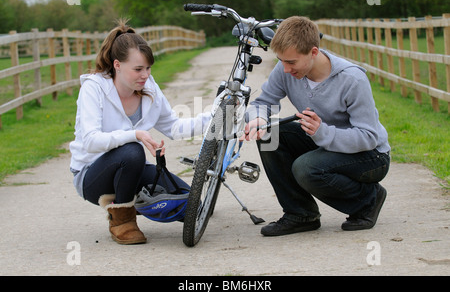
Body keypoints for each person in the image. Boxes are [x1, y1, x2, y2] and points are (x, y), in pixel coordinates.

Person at [244, 16, 391, 236]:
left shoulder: (352, 79)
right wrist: (258, 119)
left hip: (370, 155)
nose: (285, 69)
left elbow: (368, 137)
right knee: (269, 135)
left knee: (305, 168)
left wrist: (323, 132)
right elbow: (263, 102)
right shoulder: (286, 69)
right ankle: (300, 215)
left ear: (313, 52)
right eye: (281, 61)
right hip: (326, 143)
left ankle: (368, 199)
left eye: (291, 62)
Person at [69, 20, 210, 244]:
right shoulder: (93, 88)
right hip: (92, 175)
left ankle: (137, 202)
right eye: (138, 69)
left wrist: (214, 117)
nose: (145, 75)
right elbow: (89, 141)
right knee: (132, 150)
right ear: (117, 65)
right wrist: (135, 135)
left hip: (131, 169)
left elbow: (173, 127)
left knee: (195, 207)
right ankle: (122, 222)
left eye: (148, 68)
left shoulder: (149, 87)